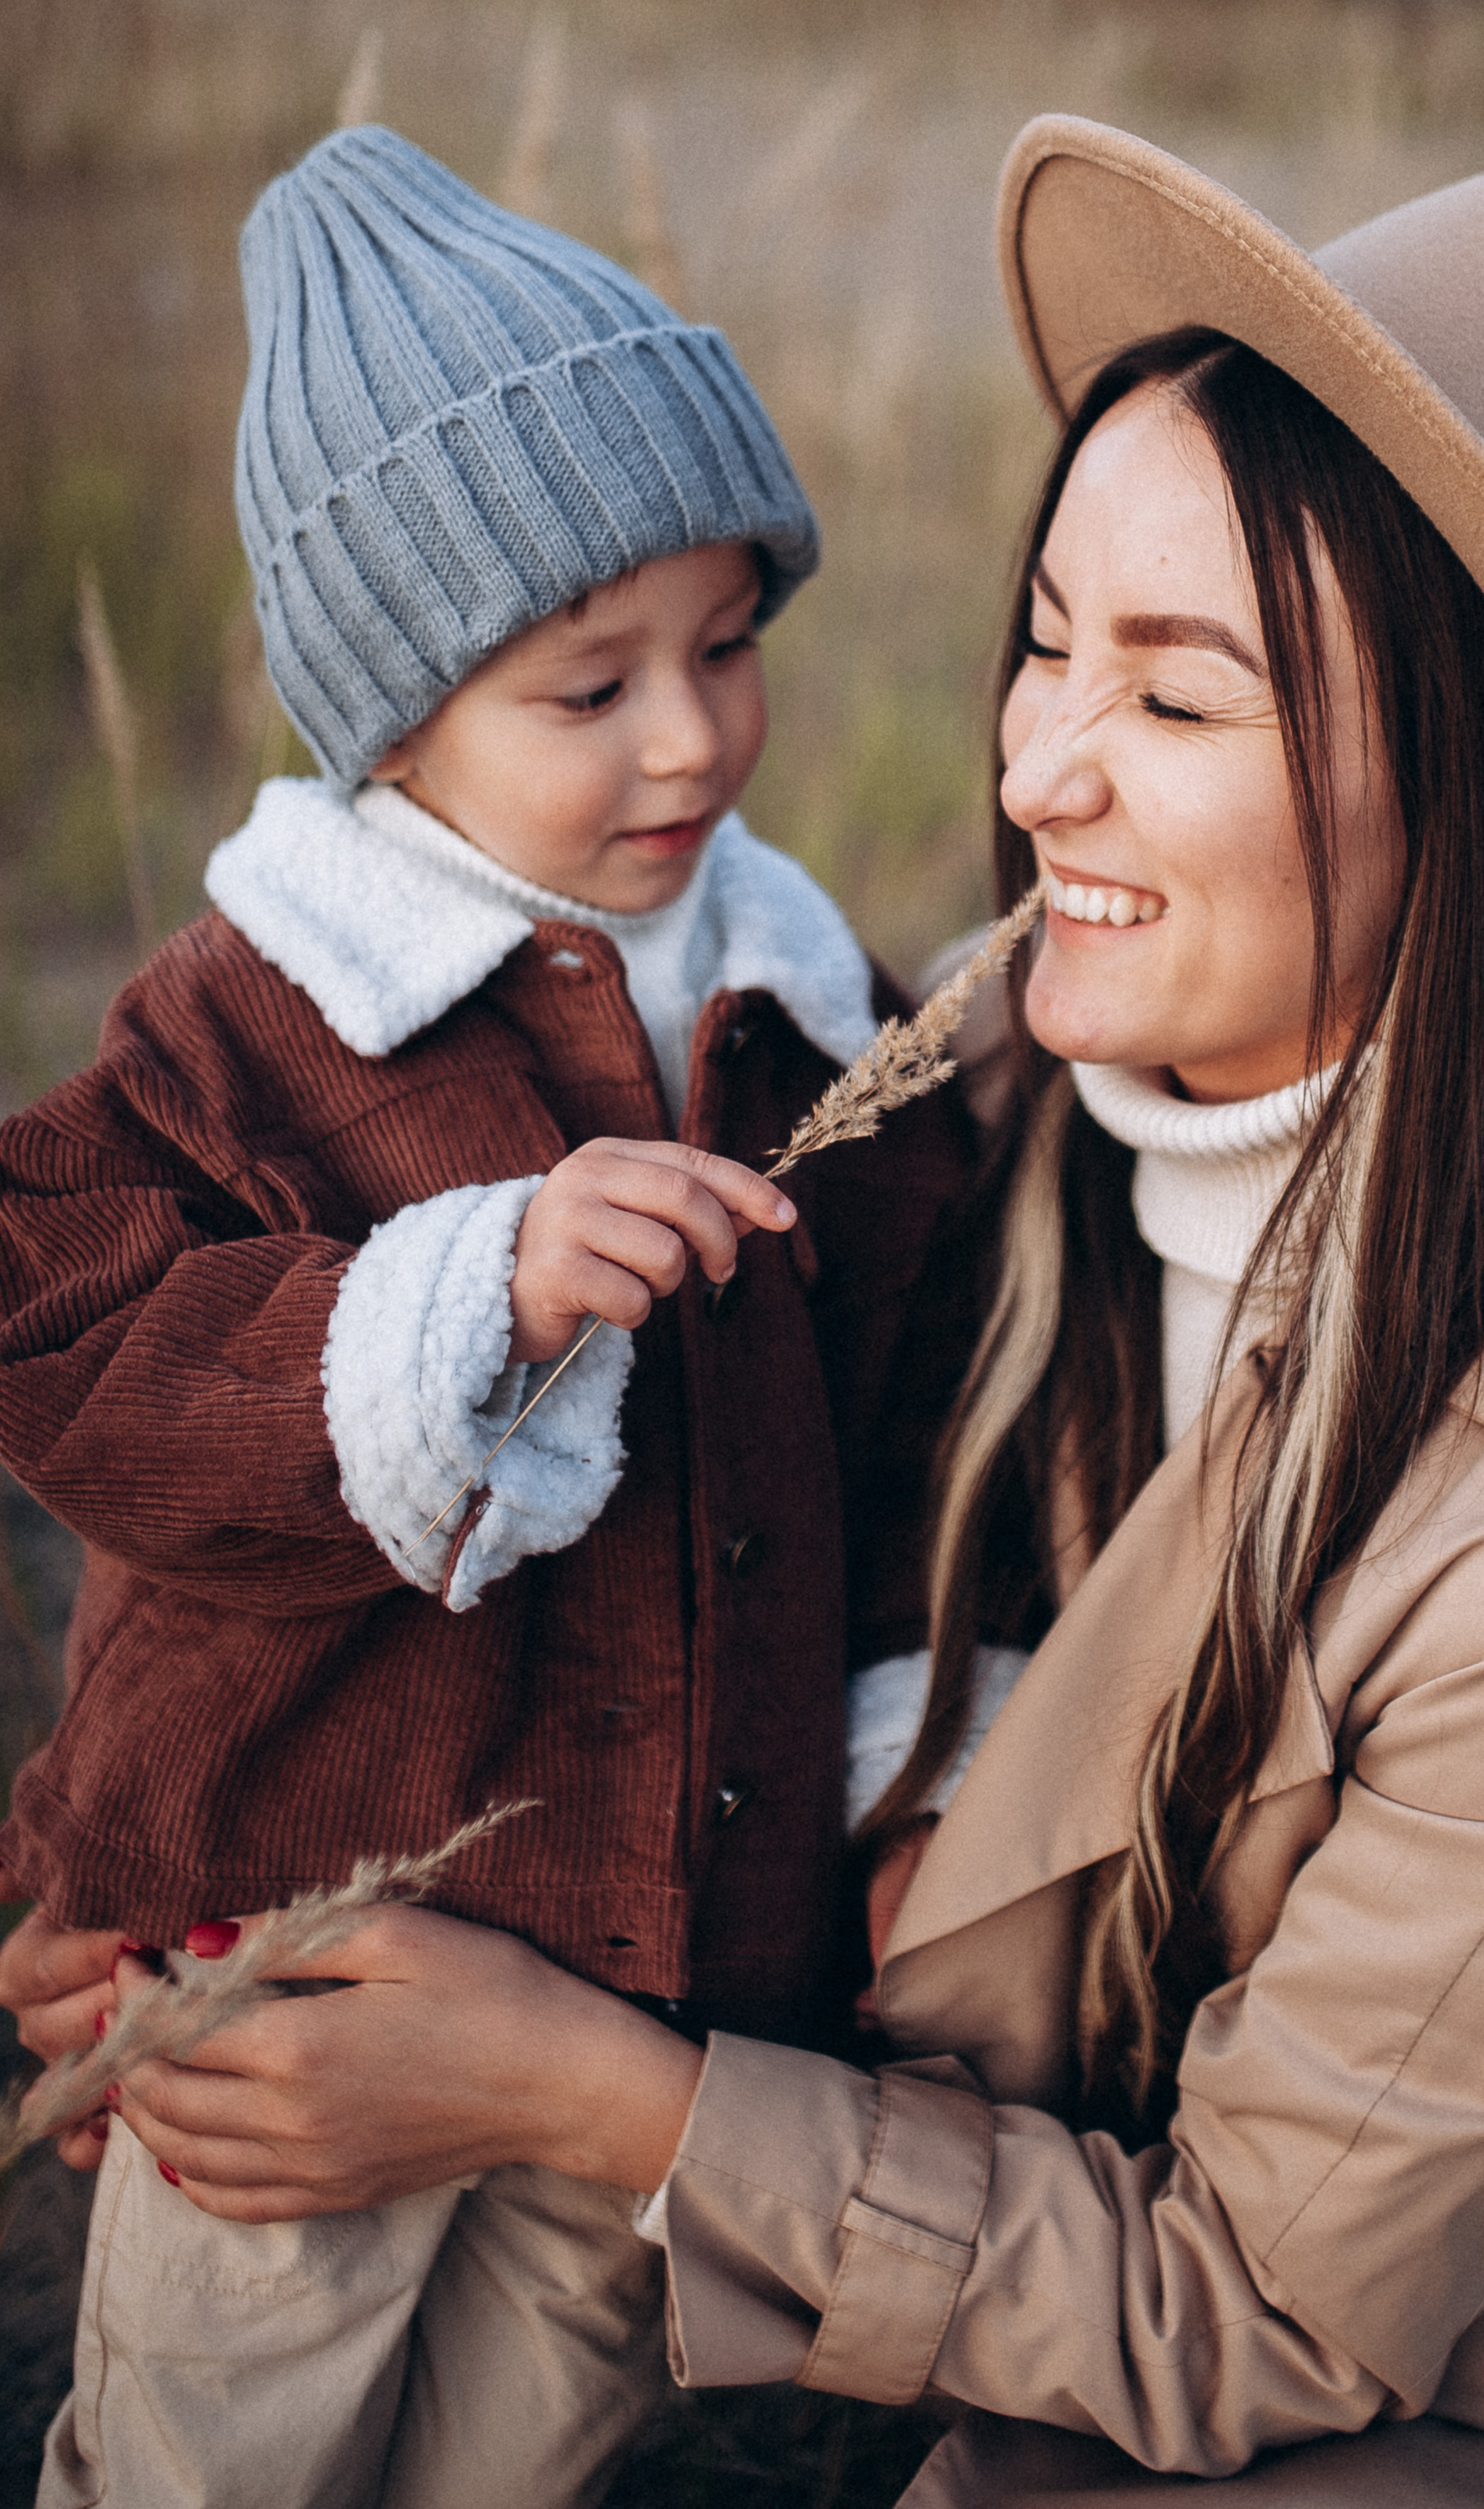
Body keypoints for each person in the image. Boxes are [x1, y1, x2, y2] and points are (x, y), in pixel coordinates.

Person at [17, 114, 1484, 2506]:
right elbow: (201, 1382)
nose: (1035, 768)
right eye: (1045, 641)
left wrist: (583, 2087)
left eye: (1178, 702)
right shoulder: (964, 1098)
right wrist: (161, 1850)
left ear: (1472, 779)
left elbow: (1256, 2313)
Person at [0, 124, 972, 2509]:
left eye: (730, 644)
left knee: (531, 2443)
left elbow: (896, 1405)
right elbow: (67, 1343)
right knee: (228, 2445)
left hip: (651, 1957)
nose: (691, 738)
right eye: (590, 683)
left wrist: (889, 1769)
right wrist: (454, 1296)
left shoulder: (794, 998)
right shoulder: (262, 1015)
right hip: (301, 1961)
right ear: (396, 720)